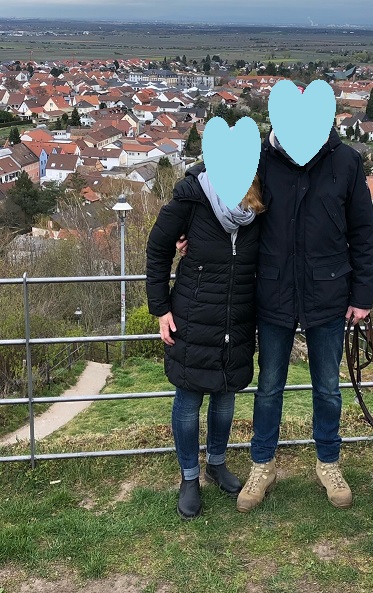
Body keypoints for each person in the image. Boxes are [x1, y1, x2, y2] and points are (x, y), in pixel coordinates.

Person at [236, 122, 373, 513]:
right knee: (268, 387)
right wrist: (186, 230)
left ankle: (328, 462)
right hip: (274, 291)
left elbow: (364, 232)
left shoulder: (346, 161)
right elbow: (212, 180)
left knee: (328, 388)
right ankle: (262, 465)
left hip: (329, 293)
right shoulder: (260, 158)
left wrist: (362, 296)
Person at [146, 164, 263, 520]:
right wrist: (160, 309)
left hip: (237, 318)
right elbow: (158, 249)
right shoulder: (192, 197)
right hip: (193, 316)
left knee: (225, 397)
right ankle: (189, 477)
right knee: (188, 399)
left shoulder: (259, 204)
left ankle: (216, 463)